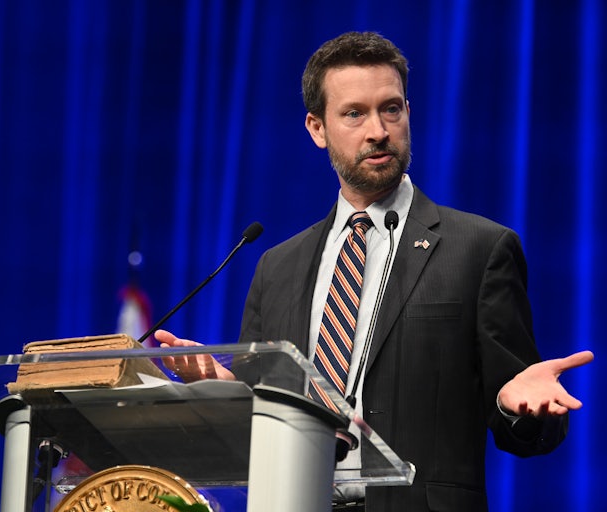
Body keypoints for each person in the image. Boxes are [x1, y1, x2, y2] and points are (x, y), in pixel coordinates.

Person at [156, 31, 593, 512]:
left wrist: (518, 407)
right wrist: (225, 392)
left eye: (392, 109)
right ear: (317, 128)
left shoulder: (480, 249)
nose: (379, 130)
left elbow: (527, 426)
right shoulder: (276, 266)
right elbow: (261, 426)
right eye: (354, 113)